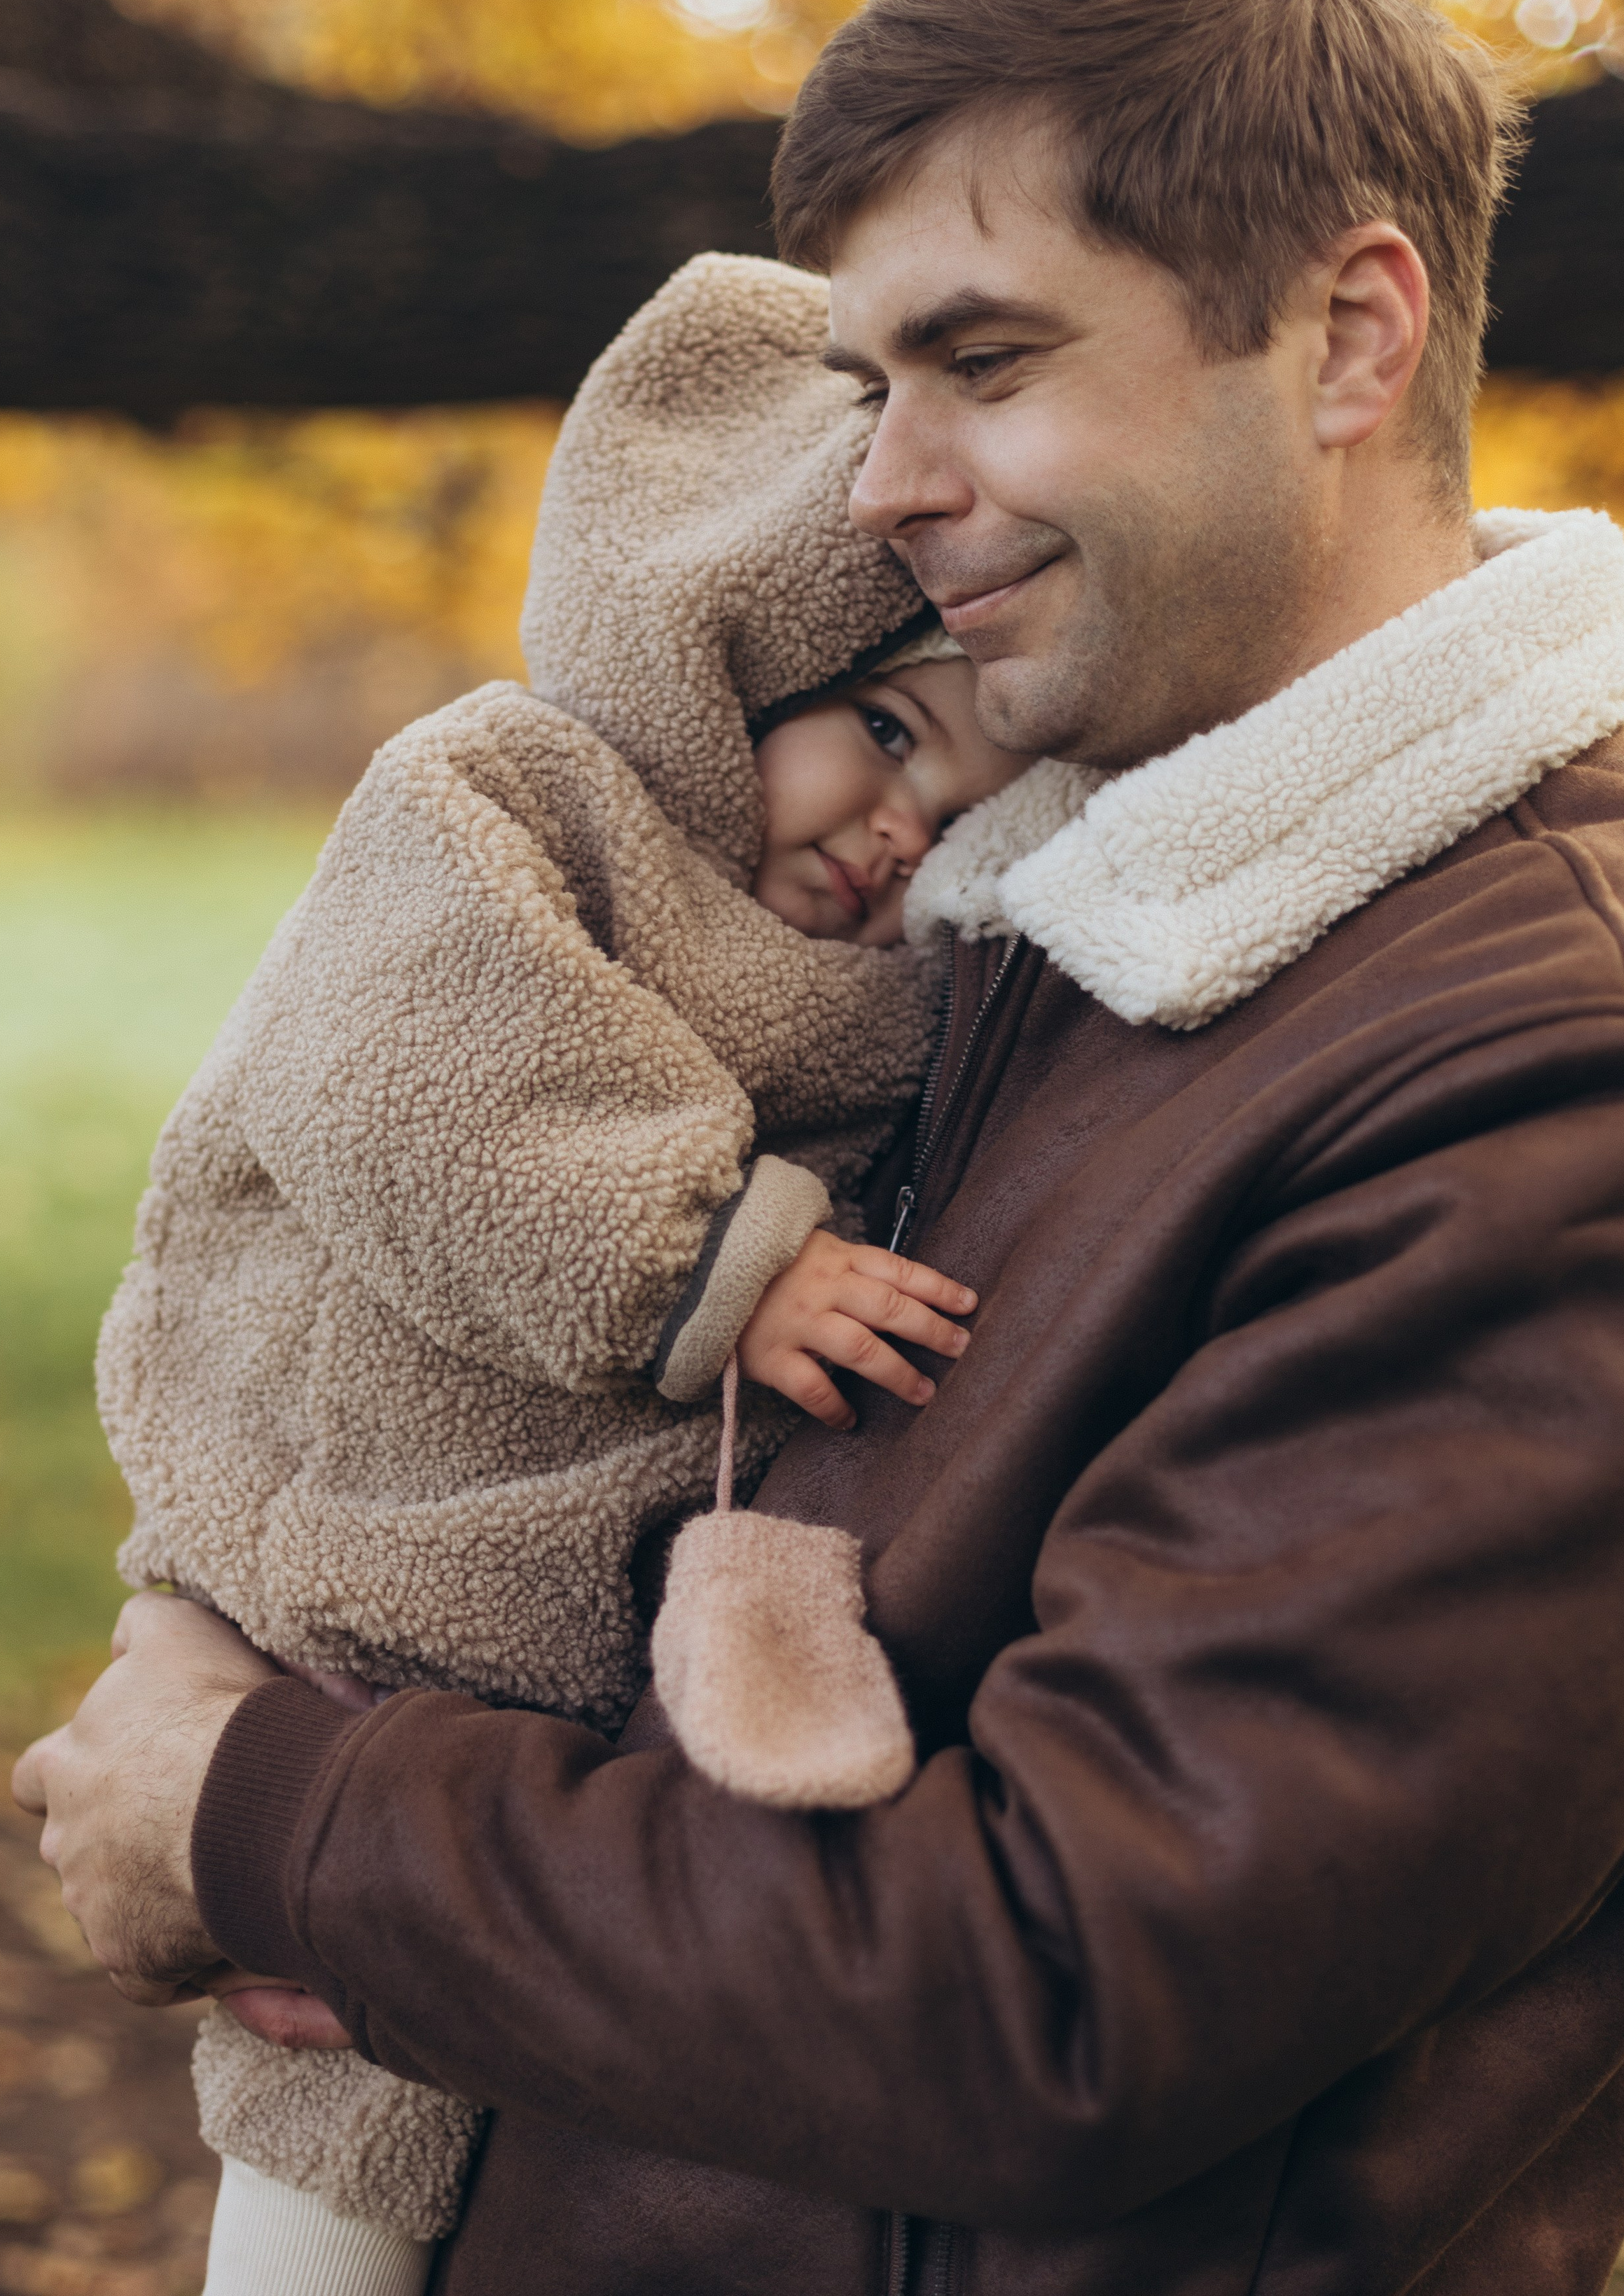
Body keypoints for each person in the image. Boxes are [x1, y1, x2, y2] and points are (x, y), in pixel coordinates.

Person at [16, 0, 1624, 2296]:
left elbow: (1062, 1988)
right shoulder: (1043, 900)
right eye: (873, 383)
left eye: (982, 361)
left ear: (1347, 338)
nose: (882, 480)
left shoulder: (1545, 1080)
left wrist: (266, 1808)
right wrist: (252, 1625)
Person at [95, 249, 1026, 2293]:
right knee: (327, 2163)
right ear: (733, 634)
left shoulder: (899, 1001)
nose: (901, 830)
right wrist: (723, 1256)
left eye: (962, 801)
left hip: (560, 1693)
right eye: (881, 723)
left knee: (477, 2098)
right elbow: (413, 1068)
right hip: (352, 1542)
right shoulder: (518, 795)